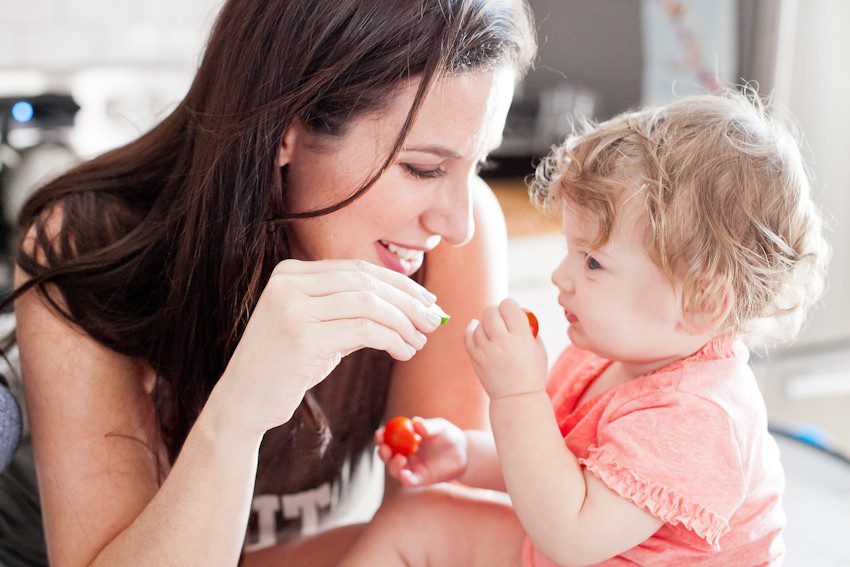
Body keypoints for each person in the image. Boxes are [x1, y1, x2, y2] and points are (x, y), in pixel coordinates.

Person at [0, 1, 537, 565]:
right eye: (423, 169)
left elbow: (438, 544)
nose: (458, 222)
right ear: (287, 128)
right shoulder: (89, 243)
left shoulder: (450, 243)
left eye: (477, 165)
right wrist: (238, 413)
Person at [339, 91, 829, 566]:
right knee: (414, 522)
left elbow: (571, 535)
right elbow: (560, 471)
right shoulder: (609, 352)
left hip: (572, 549)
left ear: (703, 301)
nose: (561, 276)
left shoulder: (698, 419)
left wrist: (516, 396)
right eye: (570, 248)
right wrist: (467, 455)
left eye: (593, 262)